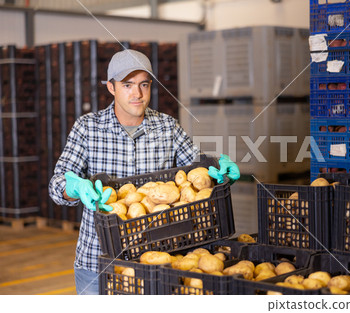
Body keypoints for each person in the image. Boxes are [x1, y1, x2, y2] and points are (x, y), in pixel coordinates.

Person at [48, 49, 240, 295]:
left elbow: (198, 172)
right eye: (127, 85)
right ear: (111, 87)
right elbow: (57, 183)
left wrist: (219, 171)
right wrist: (73, 188)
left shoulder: (167, 127)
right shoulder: (87, 128)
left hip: (158, 260)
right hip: (99, 261)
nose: (137, 94)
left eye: (144, 85)